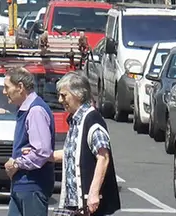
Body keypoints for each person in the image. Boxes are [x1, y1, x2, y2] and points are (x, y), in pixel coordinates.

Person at [43, 72, 120, 215]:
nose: (60, 100)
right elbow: (72, 153)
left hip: (88, 205)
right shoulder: (76, 121)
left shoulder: (92, 120)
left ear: (77, 94)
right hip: (73, 204)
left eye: (64, 95)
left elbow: (103, 157)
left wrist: (93, 193)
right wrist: (41, 155)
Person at [1, 67, 56, 216]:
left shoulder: (36, 110)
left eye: (7, 87)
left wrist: (17, 163)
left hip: (33, 185)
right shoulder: (25, 109)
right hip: (22, 185)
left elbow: (42, 152)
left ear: (20, 87)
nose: (4, 92)